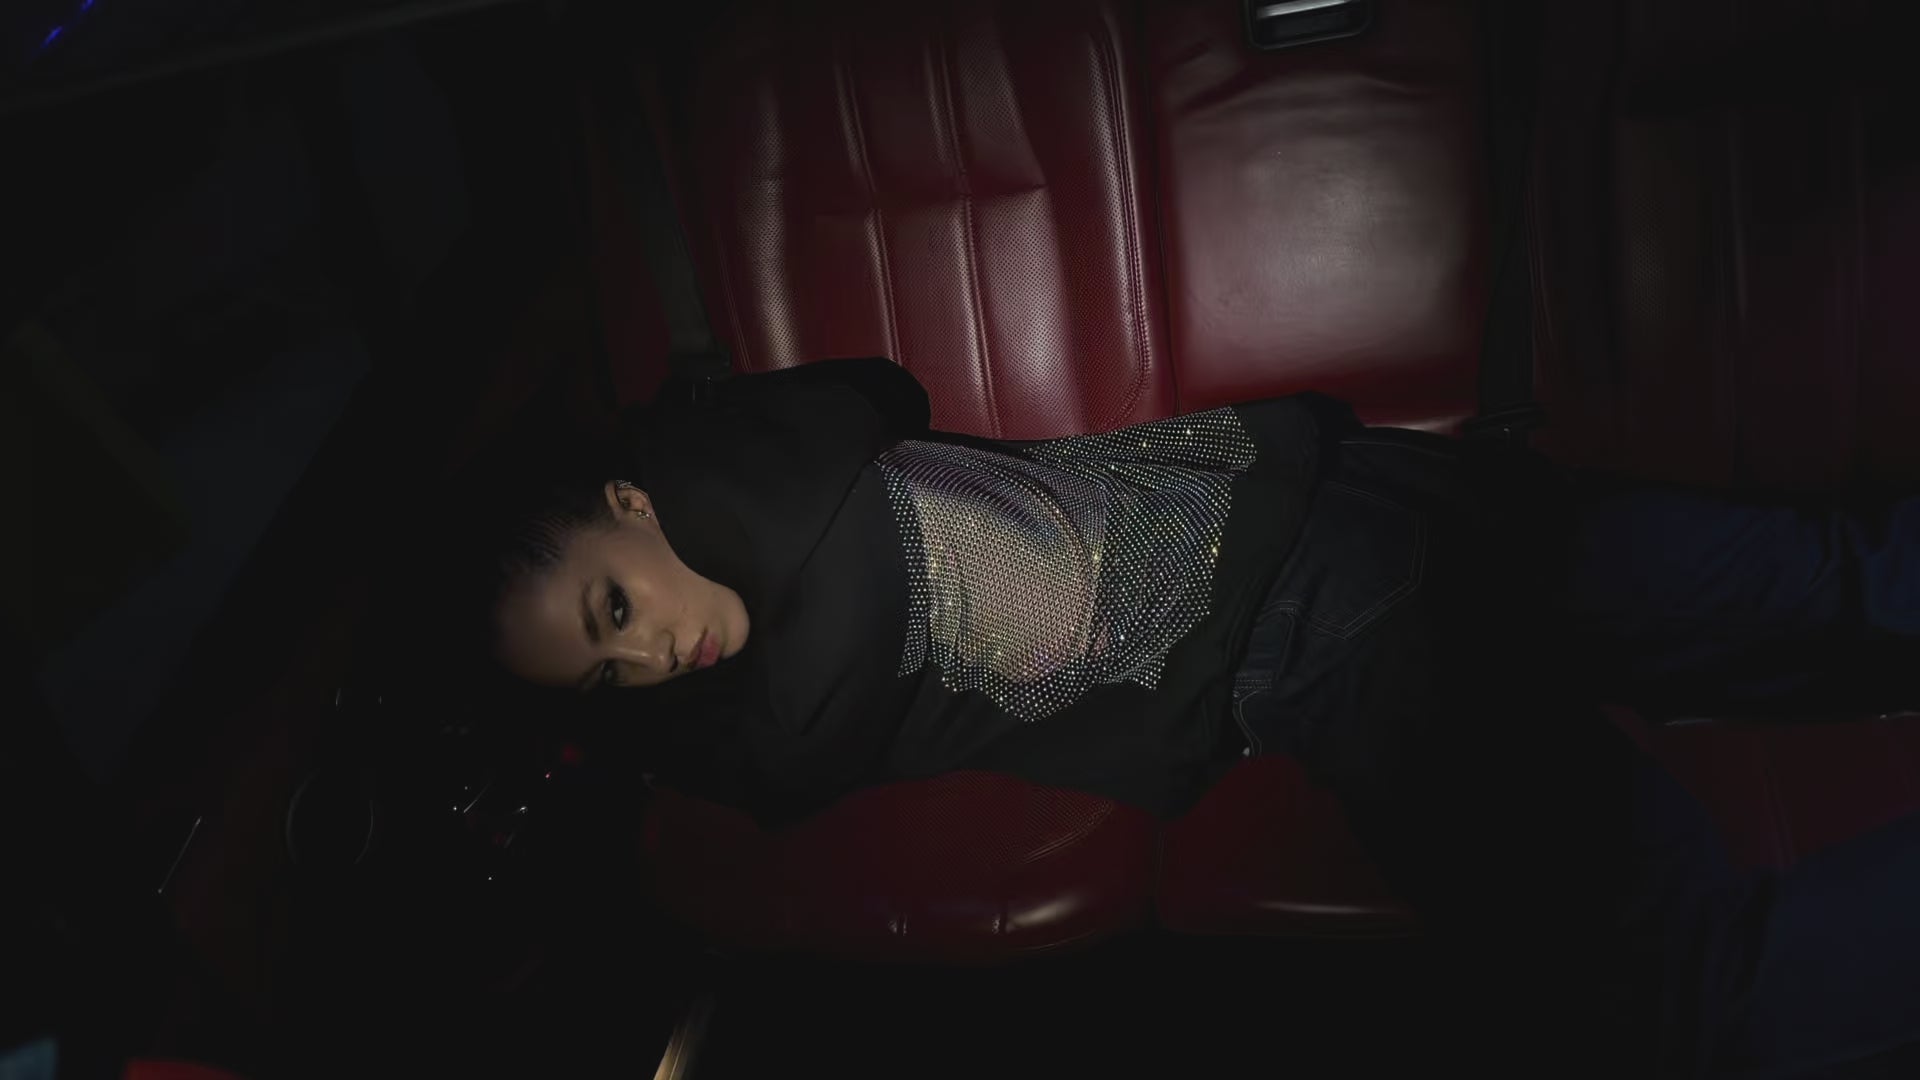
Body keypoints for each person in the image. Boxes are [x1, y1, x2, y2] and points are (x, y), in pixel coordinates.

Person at [447, 357, 1918, 1077]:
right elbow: (882, 385)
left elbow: (778, 767)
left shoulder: (813, 659)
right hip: (1373, 496)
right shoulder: (788, 452)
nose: (662, 656)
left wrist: (635, 718)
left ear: (632, 501)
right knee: (1835, 582)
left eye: (615, 609)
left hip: (1348, 635)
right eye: (612, 678)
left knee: (1691, 1004)